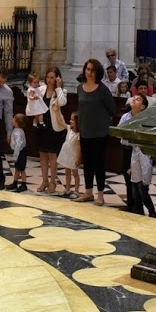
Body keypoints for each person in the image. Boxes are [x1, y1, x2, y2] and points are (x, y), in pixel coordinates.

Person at [76, 57, 117, 205]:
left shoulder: (102, 90)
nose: (89, 72)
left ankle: (100, 194)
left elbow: (112, 109)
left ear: (97, 72)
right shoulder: (80, 88)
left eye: (92, 70)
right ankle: (88, 192)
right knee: (87, 163)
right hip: (85, 131)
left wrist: (103, 122)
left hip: (100, 132)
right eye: (87, 69)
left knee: (98, 163)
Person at [122, 95, 156, 217]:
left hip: (143, 150)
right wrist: (133, 167)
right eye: (134, 98)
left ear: (143, 106)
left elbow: (146, 162)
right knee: (135, 190)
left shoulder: (145, 120)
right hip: (134, 150)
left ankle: (152, 213)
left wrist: (146, 178)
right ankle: (138, 212)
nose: (134, 99)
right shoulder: (126, 116)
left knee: (143, 190)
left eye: (138, 99)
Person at [37, 67, 69, 194]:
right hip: (41, 124)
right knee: (42, 154)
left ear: (57, 78)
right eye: (48, 77)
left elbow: (62, 102)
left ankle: (52, 181)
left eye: (52, 77)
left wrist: (59, 87)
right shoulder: (41, 89)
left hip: (53, 125)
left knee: (52, 155)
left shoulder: (61, 91)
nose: (50, 80)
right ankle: (44, 180)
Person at [58, 113, 82, 200]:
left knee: (75, 174)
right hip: (66, 154)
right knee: (67, 172)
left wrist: (78, 159)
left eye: (72, 120)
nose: (70, 121)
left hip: (73, 155)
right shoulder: (69, 129)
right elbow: (61, 122)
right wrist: (57, 111)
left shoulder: (79, 134)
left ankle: (76, 191)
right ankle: (67, 189)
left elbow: (80, 148)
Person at [7, 114, 28, 193]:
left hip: (20, 152)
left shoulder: (18, 133)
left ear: (17, 122)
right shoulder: (16, 130)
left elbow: (18, 145)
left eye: (13, 119)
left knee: (21, 169)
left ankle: (23, 184)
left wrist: (15, 156)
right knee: (17, 169)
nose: (12, 119)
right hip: (18, 151)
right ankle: (15, 182)